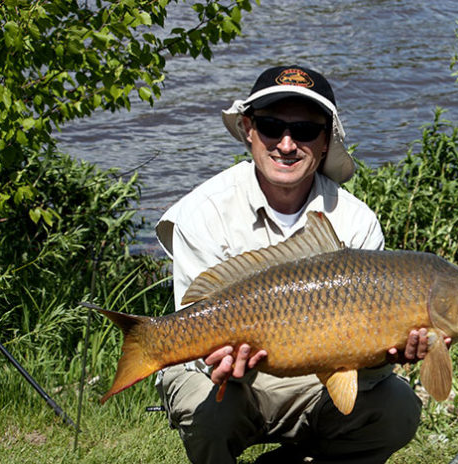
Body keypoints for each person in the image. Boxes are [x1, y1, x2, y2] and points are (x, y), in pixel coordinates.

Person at [154, 65, 441, 464]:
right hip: (232, 383)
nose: (286, 144)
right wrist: (217, 362)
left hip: (314, 383)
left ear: (326, 142)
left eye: (305, 131)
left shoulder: (356, 221)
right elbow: (193, 323)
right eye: (272, 126)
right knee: (208, 411)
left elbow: (364, 370)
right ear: (249, 130)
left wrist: (384, 357)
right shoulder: (201, 212)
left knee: (396, 407)